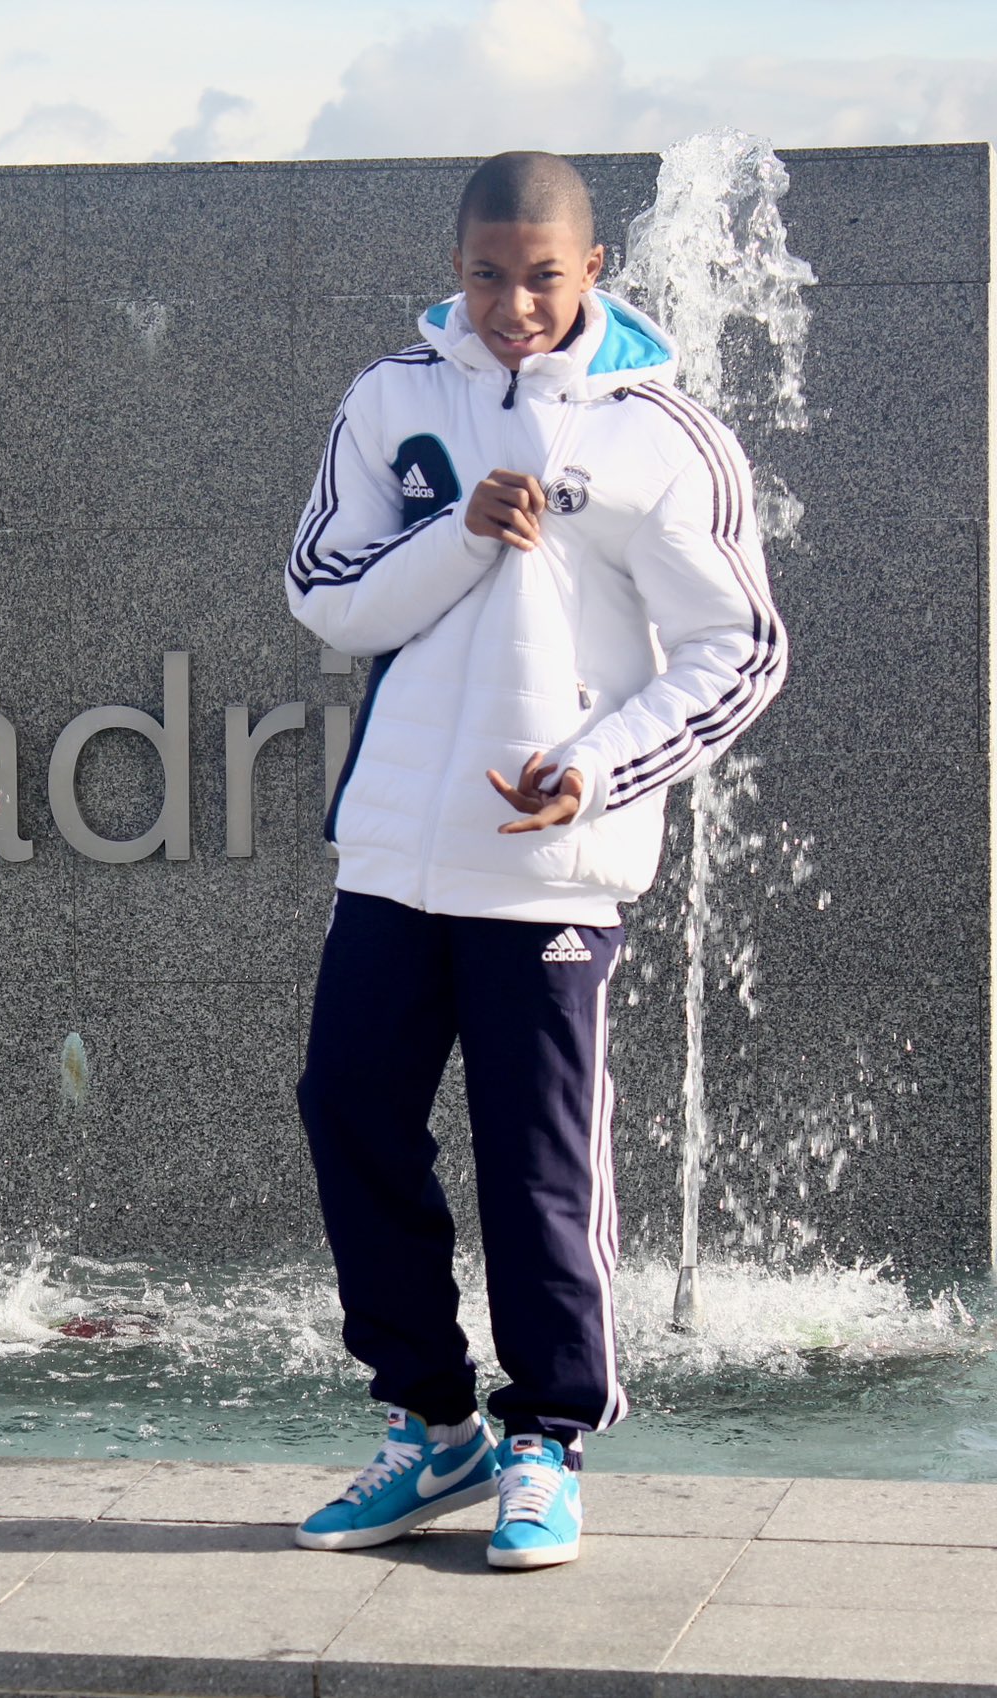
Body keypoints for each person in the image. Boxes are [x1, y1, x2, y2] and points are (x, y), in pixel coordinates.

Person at [283, 151, 786, 1570]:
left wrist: (599, 768)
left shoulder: (662, 438)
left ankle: (548, 1439)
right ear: (455, 266)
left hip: (550, 867)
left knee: (537, 1163)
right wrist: (459, 537)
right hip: (396, 854)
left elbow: (740, 648)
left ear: (594, 271)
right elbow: (325, 595)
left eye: (543, 277)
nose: (513, 306)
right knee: (348, 1110)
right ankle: (430, 1423)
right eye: (488, 275)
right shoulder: (392, 399)